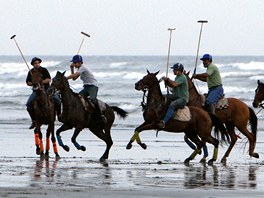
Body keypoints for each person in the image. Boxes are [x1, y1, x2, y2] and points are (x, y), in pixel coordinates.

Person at [66, 55, 107, 124]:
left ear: (79, 62)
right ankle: (84, 114)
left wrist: (65, 78)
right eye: (74, 63)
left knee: (93, 99)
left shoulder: (83, 67)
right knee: (77, 98)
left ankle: (101, 115)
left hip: (93, 86)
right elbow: (74, 79)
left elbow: (74, 76)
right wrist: (71, 68)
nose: (74, 64)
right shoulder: (79, 69)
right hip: (86, 87)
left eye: (75, 63)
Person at [26, 57, 61, 129]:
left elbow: (48, 79)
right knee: (28, 104)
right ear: (33, 64)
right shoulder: (31, 72)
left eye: (38, 63)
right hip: (36, 91)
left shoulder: (44, 70)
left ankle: (59, 116)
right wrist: (33, 83)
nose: (37, 64)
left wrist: (40, 82)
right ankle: (34, 121)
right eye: (35, 63)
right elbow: (27, 82)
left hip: (47, 89)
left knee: (57, 100)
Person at [157, 63, 189, 129]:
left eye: (174, 69)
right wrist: (167, 83)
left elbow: (174, 84)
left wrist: (168, 79)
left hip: (182, 99)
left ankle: (164, 122)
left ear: (178, 70)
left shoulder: (183, 77)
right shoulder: (177, 77)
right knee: (162, 97)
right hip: (175, 96)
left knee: (172, 105)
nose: (173, 71)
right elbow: (173, 86)